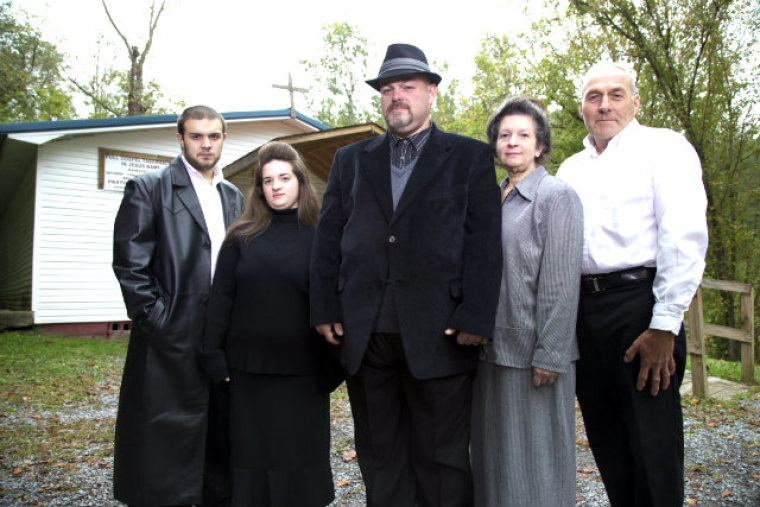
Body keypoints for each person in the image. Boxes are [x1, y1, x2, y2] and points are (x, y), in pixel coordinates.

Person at [310, 43, 502, 507]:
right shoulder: (351, 160)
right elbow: (328, 237)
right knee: (380, 454)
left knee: (443, 458)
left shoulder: (470, 157)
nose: (396, 96)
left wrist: (477, 314)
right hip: (366, 331)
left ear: (431, 92)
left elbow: (485, 243)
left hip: (441, 333)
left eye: (407, 87)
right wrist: (324, 306)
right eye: (388, 89)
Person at [557, 62, 708, 506]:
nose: (605, 104)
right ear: (581, 107)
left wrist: (665, 326)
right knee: (608, 441)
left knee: (652, 444)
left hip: (640, 307)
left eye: (616, 94)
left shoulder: (665, 149)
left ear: (636, 102)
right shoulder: (570, 170)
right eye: (594, 96)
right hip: (584, 313)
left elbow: (683, 237)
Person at [112, 105, 244, 507]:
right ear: (180, 139)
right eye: (196, 136)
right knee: (163, 439)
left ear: (223, 139)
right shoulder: (149, 187)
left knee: (219, 432)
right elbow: (130, 265)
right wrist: (159, 319)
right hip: (169, 334)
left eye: (214, 136)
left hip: (222, 334)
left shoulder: (233, 195)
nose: (206, 144)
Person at [199, 141, 336, 507]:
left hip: (304, 374)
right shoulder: (241, 237)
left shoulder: (323, 236)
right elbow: (221, 300)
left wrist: (334, 364)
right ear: (259, 188)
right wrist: (212, 354)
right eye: (267, 180)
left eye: (284, 177)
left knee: (298, 460)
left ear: (300, 182)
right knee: (251, 460)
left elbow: (336, 303)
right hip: (247, 372)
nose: (276, 186)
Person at [471, 97, 583, 507]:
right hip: (491, 351)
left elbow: (560, 281)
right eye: (504, 135)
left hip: (535, 354)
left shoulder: (557, 197)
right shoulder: (490, 197)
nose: (512, 142)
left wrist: (550, 353)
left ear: (540, 146)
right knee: (495, 461)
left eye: (523, 135)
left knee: (538, 463)